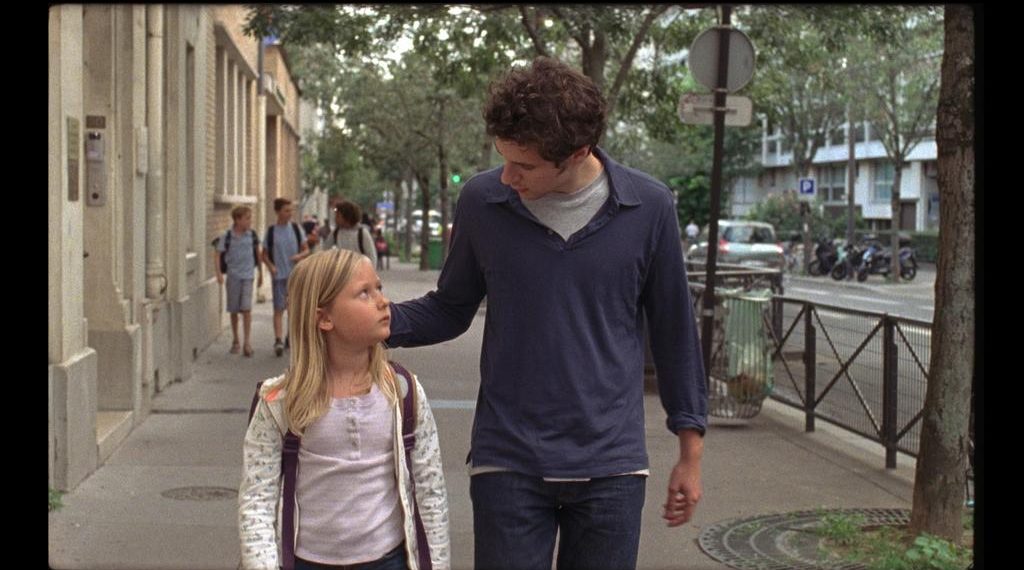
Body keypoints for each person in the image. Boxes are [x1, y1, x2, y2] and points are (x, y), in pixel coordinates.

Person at [386, 56, 707, 570]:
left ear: (578, 152)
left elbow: (675, 334)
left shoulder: (648, 207)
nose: (507, 176)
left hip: (611, 466)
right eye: (504, 159)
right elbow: (450, 308)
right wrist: (379, 322)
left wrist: (690, 453)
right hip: (508, 460)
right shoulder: (483, 202)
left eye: (525, 166)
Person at [239, 249, 451, 570]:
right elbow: (257, 500)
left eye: (379, 288)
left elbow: (430, 492)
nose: (383, 301)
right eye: (364, 293)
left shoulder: (403, 392)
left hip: (388, 561)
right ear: (324, 318)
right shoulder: (281, 401)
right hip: (306, 561)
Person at [262, 198, 310, 357]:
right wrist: (271, 267)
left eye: (291, 210)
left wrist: (299, 256)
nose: (290, 213)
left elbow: (306, 250)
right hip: (279, 276)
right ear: (278, 212)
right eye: (286, 210)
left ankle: (290, 336)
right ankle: (278, 340)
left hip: (294, 276)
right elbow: (264, 254)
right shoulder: (271, 232)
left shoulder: (296, 229)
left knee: (293, 309)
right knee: (278, 308)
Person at [214, 205, 262, 357]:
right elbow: (217, 254)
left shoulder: (252, 235)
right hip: (233, 276)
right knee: (234, 310)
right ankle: (236, 339)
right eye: (247, 218)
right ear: (237, 220)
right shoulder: (227, 236)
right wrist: (219, 274)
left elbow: (258, 254)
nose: (250, 221)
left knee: (246, 309)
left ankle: (247, 342)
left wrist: (260, 273)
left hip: (248, 276)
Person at [328, 200, 378, 270]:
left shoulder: (362, 233)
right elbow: (325, 251)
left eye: (338, 216)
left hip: (359, 271)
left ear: (346, 217)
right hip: (342, 271)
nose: (335, 219)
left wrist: (370, 272)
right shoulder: (335, 232)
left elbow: (372, 256)